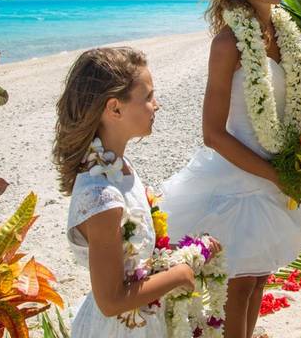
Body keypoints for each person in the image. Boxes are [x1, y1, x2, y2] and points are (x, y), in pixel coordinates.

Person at [161, 0, 301, 338]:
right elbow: (211, 133)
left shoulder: (288, 33)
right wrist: (274, 175)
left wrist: (298, 162)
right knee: (238, 286)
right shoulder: (227, 42)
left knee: (259, 280)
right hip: (238, 175)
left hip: (277, 169)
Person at [53, 47, 195, 338]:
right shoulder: (102, 196)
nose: (157, 105)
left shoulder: (118, 166)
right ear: (115, 108)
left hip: (142, 320)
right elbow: (111, 301)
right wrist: (177, 275)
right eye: (148, 97)